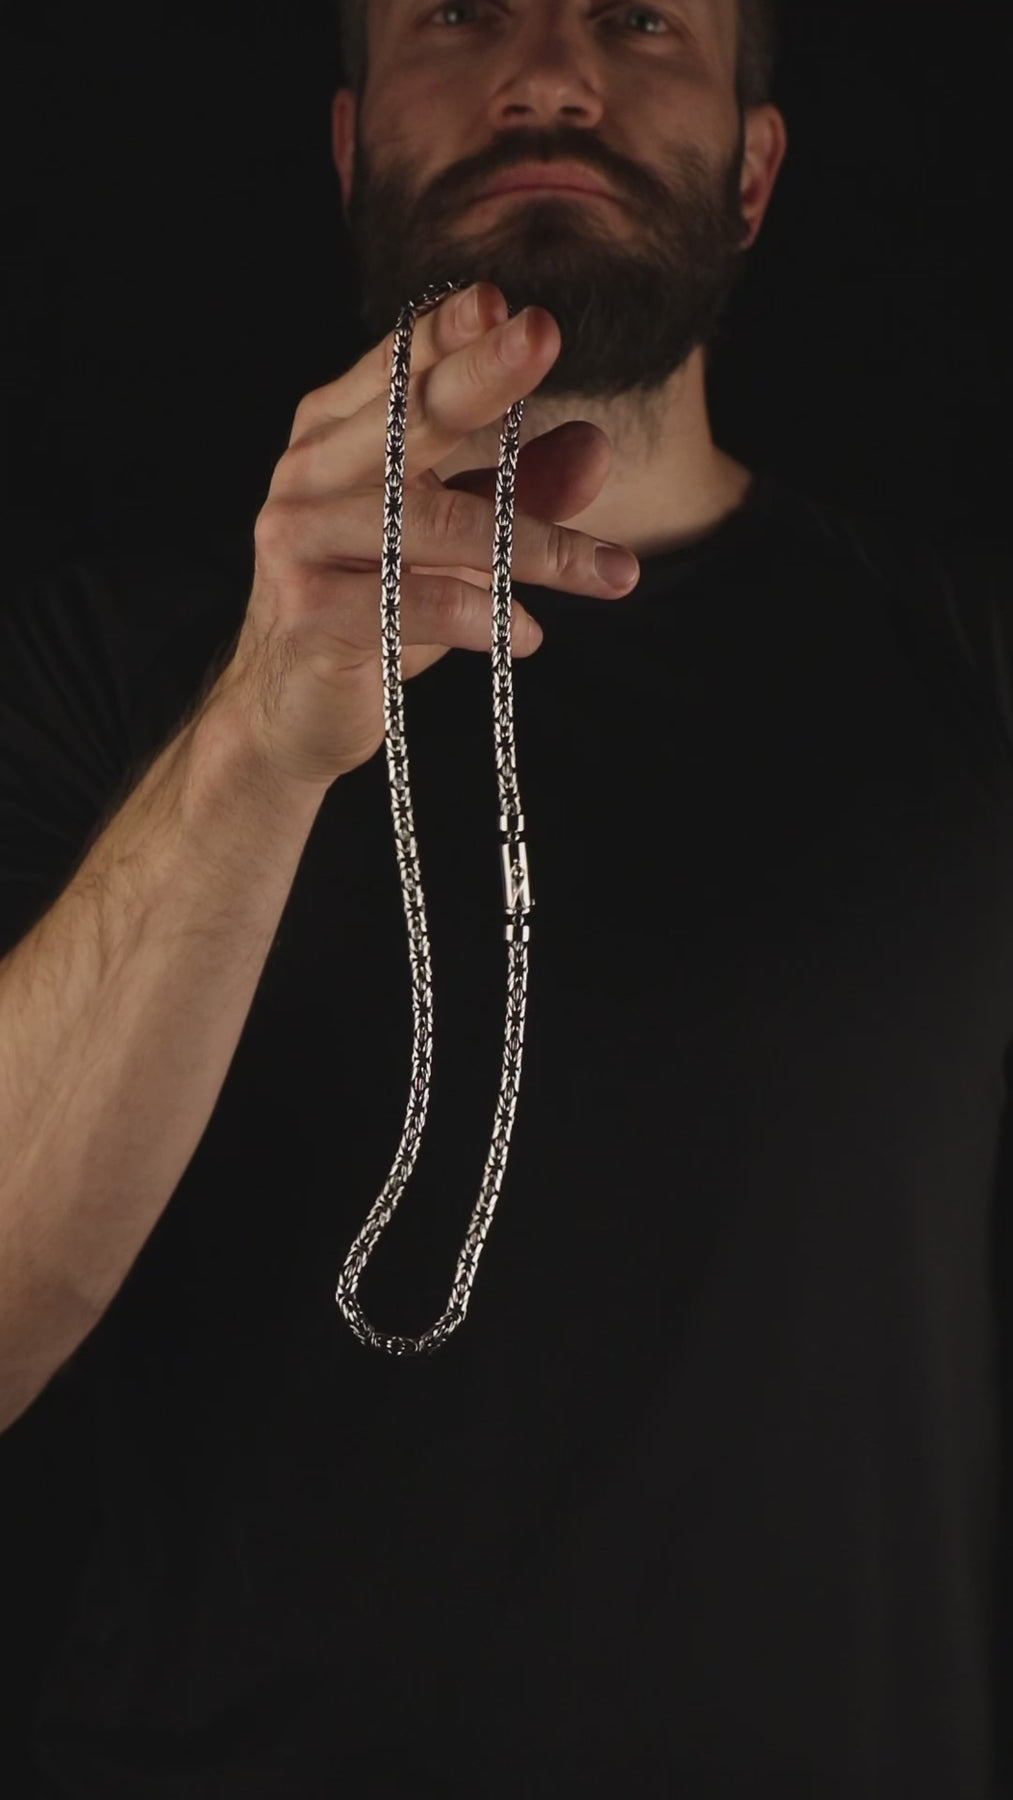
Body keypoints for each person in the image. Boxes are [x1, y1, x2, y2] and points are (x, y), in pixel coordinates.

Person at [0, 0, 1010, 1793]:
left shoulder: (967, 677)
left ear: (753, 171)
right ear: (349, 147)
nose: (547, 75)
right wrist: (249, 746)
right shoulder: (95, 671)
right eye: (459, 13)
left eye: (640, 20)